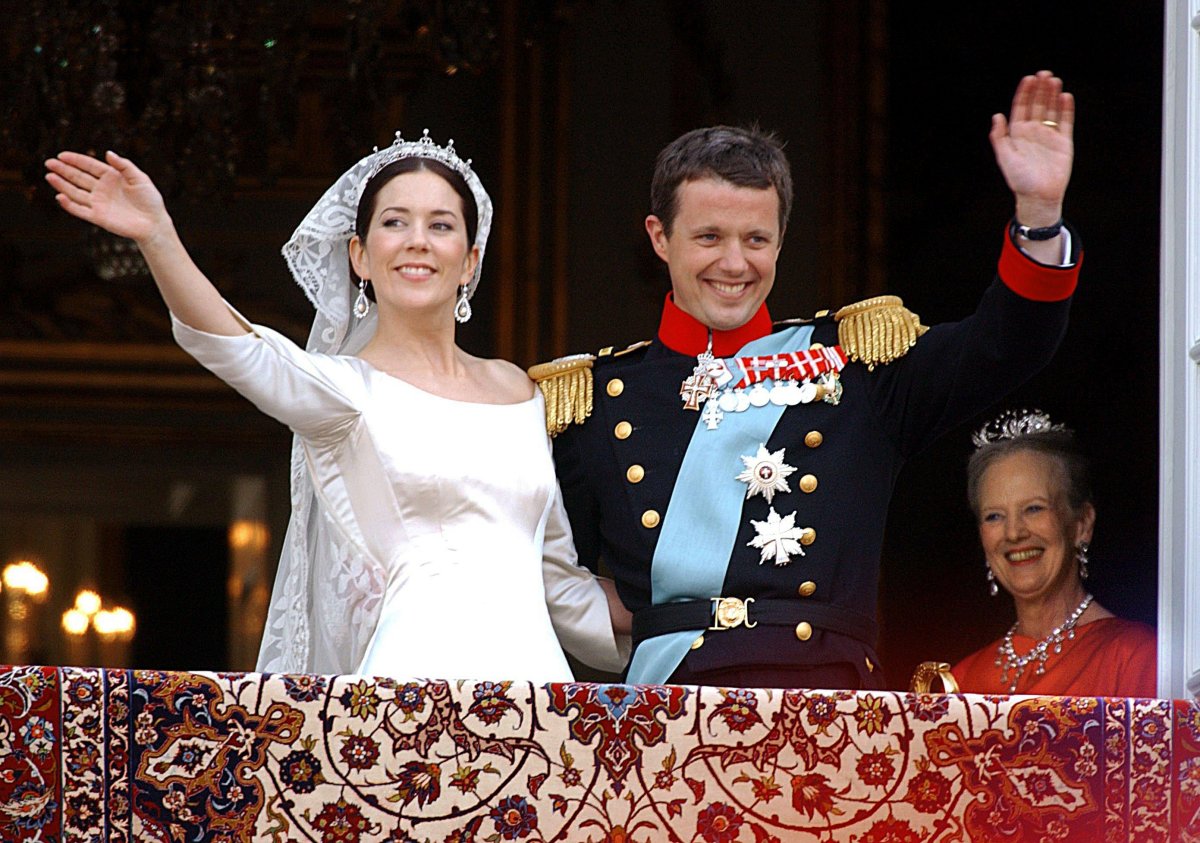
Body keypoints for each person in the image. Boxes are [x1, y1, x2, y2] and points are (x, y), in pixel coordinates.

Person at [533, 71, 1082, 690]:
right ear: (660, 238)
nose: (734, 263)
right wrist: (625, 622)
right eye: (709, 237)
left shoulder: (860, 365)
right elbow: (537, 564)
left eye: (756, 239)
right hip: (666, 717)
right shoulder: (595, 402)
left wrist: (1039, 216)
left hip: (826, 710)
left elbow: (1009, 345)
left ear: (781, 240)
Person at [44, 132, 631, 681]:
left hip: (537, 696)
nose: (417, 240)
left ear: (470, 260)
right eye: (394, 222)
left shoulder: (518, 391)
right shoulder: (345, 392)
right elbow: (240, 348)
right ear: (359, 254)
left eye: (441, 225)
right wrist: (158, 238)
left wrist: (706, 612)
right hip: (408, 690)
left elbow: (555, 578)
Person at [951, 410, 1156, 697]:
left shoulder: (1135, 657)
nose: (1013, 533)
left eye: (1034, 509)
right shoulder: (962, 680)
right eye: (994, 516)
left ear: (1081, 524)